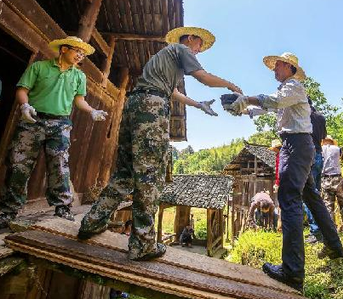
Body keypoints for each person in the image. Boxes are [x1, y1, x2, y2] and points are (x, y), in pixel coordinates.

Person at [78, 26, 242, 261]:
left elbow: (173, 92)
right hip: (151, 108)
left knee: (125, 173)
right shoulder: (181, 48)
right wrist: (230, 85)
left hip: (135, 104)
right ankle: (143, 244)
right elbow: (203, 77)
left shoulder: (164, 59)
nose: (199, 50)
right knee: (149, 175)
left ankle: (92, 222)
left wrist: (198, 105)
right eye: (200, 45)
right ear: (192, 39)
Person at [226, 52, 343, 292]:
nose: (274, 70)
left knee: (289, 201)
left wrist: (246, 98)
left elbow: (273, 101)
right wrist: (242, 108)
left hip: (296, 146)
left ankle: (292, 272)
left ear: (290, 67)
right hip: (300, 147)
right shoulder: (286, 92)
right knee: (312, 196)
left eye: (277, 65)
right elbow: (268, 108)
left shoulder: (294, 87)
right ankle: (334, 246)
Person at [0, 36, 108, 228]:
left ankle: (62, 208)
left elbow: (79, 100)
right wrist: (24, 106)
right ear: (64, 49)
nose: (80, 56)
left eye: (82, 54)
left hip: (60, 123)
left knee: (59, 165)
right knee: (18, 163)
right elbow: (22, 90)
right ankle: (8, 210)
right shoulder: (39, 67)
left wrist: (92, 111)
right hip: (32, 119)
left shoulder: (79, 76)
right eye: (77, 51)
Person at [303, 98, 326, 244]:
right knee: (316, 194)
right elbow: (323, 136)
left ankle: (316, 232)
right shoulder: (320, 116)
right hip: (319, 154)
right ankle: (321, 229)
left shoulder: (303, 114)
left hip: (307, 154)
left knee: (308, 196)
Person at [321, 135, 343, 224]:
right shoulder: (337, 149)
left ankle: (331, 227)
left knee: (328, 205)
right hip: (337, 177)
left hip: (325, 179)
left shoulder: (319, 150)